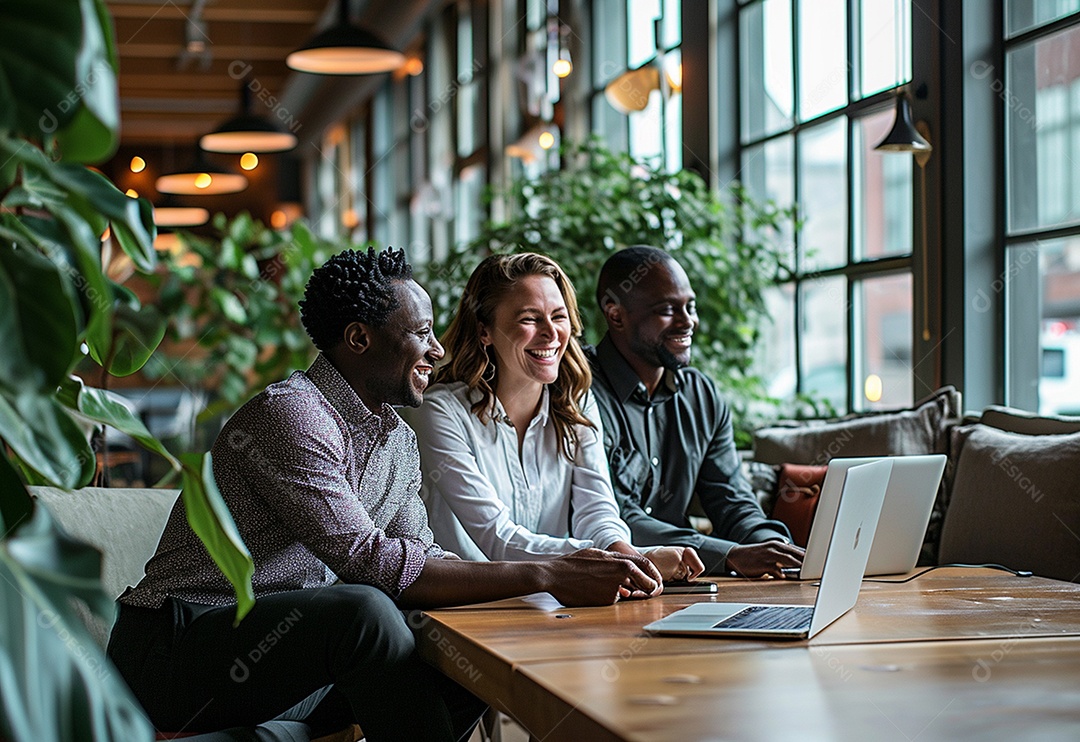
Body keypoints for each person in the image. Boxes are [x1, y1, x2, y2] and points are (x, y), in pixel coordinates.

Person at [106, 247, 662, 742]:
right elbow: (370, 561)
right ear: (358, 338)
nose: (439, 350)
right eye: (421, 333)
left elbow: (422, 555)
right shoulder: (291, 414)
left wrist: (524, 591)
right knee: (366, 610)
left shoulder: (396, 437)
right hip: (178, 654)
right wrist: (550, 572)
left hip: (292, 667)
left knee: (469, 648)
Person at [403, 253, 703, 582]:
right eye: (530, 319)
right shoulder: (440, 412)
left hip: (554, 601)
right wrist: (631, 560)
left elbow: (598, 512)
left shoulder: (576, 401)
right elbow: (497, 539)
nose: (551, 333)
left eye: (558, 317)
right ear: (485, 331)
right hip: (468, 605)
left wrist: (628, 557)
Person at [587, 246, 805, 578]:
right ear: (615, 314)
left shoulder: (700, 395)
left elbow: (730, 499)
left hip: (691, 579)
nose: (688, 322)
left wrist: (773, 548)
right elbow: (613, 518)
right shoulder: (581, 391)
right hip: (613, 581)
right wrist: (728, 555)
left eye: (690, 306)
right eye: (667, 310)